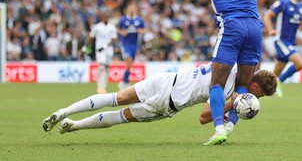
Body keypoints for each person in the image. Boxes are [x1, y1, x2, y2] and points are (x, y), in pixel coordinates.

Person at [125, 0, 302, 145]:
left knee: (217, 84)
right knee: (243, 85)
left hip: (233, 27)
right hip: (254, 28)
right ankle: (230, 127)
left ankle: (219, 129)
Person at [42, 63, 277, 141]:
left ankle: (64, 112)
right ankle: (74, 126)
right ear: (254, 87)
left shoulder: (229, 64)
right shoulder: (227, 92)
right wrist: (232, 105)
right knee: (122, 116)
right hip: (169, 102)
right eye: (260, 95)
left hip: (168, 79)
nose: (257, 98)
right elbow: (203, 118)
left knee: (116, 97)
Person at [263, 0, 302, 97]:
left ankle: (255, 89)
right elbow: (267, 16)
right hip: (281, 39)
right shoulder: (283, 3)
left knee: (273, 75)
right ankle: (279, 83)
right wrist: (270, 29)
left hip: (290, 42)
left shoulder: (301, 7)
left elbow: (301, 25)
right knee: (300, 63)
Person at [82, 12, 118, 94]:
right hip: (100, 50)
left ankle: (104, 87)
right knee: (101, 66)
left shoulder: (112, 27)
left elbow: (114, 39)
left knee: (107, 68)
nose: (105, 18)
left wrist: (105, 45)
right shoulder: (97, 27)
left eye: (106, 17)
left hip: (109, 51)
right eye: (104, 17)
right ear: (102, 18)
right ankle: (99, 87)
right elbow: (90, 37)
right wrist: (85, 47)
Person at [116, 1, 145, 91]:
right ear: (127, 9)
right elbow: (117, 28)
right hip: (126, 43)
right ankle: (124, 81)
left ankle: (125, 80)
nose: (132, 9)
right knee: (128, 59)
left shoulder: (139, 20)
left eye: (134, 7)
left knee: (130, 62)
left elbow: (143, 30)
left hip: (134, 44)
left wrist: (141, 31)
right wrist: (121, 32)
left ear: (136, 9)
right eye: (130, 7)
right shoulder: (123, 19)